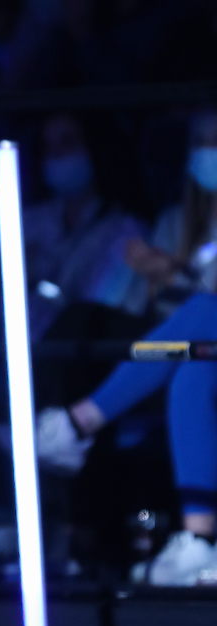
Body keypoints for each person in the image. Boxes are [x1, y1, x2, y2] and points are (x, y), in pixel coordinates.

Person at [35, 110, 217, 586]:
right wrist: (162, 281)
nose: (206, 150)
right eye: (199, 140)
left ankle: (74, 424)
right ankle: (199, 542)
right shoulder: (178, 219)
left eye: (215, 139)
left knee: (203, 315)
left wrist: (178, 277)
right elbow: (143, 305)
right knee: (178, 364)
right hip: (177, 353)